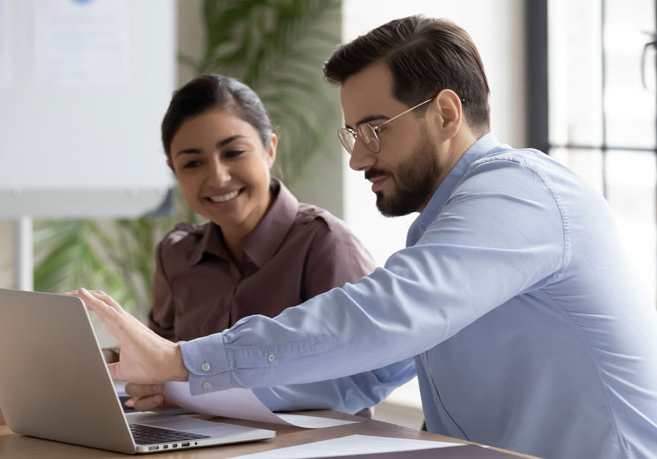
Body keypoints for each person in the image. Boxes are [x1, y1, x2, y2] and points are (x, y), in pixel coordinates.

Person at [73, 16, 657, 459]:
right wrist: (182, 387)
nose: (359, 161)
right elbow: (361, 372)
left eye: (375, 131)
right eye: (353, 135)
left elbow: (382, 316)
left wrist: (182, 358)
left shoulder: (519, 195)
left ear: (447, 114)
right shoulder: (448, 222)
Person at [148, 74, 374, 343]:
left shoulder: (327, 245)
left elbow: (363, 372)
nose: (218, 177)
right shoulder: (176, 256)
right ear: (174, 171)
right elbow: (158, 359)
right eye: (193, 164)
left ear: (269, 150)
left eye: (233, 153)